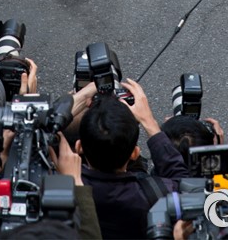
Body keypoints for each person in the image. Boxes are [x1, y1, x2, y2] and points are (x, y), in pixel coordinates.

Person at [77, 83, 188, 240]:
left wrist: (80, 96)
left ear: (79, 147)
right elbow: (186, 186)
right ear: (135, 153)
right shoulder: (156, 195)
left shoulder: (60, 188)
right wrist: (149, 122)